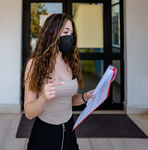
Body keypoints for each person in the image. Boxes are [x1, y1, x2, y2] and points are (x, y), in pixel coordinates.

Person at [24, 13, 94, 150]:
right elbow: (29, 112)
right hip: (44, 135)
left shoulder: (71, 62)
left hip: (69, 131)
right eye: (66, 32)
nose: (70, 37)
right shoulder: (34, 64)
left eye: (72, 33)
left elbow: (68, 99)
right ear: (52, 33)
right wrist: (43, 98)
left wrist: (85, 97)